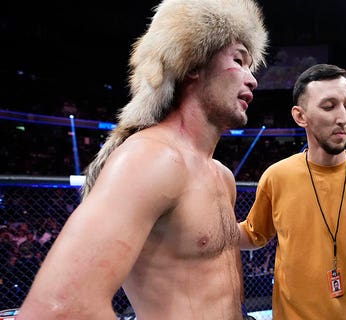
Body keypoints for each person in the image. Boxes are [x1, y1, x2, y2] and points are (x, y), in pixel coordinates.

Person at [18, 0, 267, 318]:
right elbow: (58, 309)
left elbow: (207, 245)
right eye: (239, 61)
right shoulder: (151, 159)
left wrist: (281, 216)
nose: (252, 80)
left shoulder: (221, 175)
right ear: (191, 64)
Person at [237, 64, 346, 319]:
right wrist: (211, 229)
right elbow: (254, 234)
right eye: (329, 106)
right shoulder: (277, 178)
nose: (342, 117)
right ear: (300, 116)